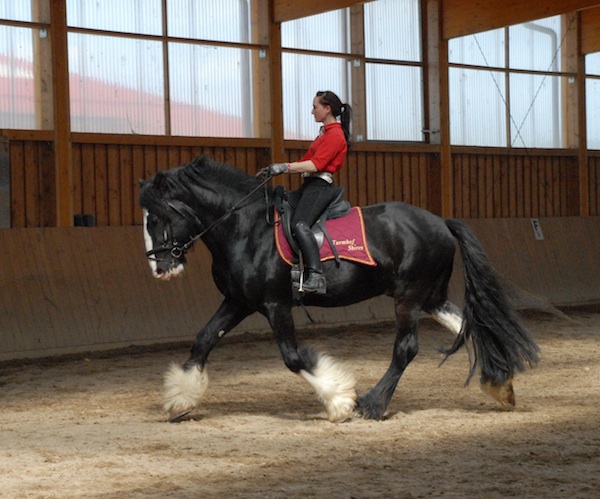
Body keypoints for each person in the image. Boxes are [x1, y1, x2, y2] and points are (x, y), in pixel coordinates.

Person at [259, 90, 353, 294]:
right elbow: (304, 161)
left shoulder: (335, 135)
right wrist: (275, 168)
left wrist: (284, 167)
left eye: (315, 107)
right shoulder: (324, 134)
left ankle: (316, 275)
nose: (312, 111)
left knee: (300, 224)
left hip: (321, 187)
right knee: (279, 203)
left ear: (327, 109)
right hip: (309, 186)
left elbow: (315, 164)